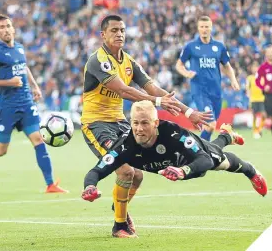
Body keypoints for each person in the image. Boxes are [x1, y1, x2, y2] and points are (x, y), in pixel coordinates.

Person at [81, 15, 212, 238]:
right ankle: (119, 225)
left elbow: (153, 88)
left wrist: (188, 112)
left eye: (122, 30)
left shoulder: (129, 62)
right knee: (125, 169)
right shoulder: (98, 60)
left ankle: (118, 206)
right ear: (103, 35)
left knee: (138, 176)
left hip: (121, 122)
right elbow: (124, 91)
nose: (120, 34)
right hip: (97, 123)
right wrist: (158, 103)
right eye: (114, 30)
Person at [81, 100, 267, 238]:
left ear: (155, 123)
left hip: (190, 161)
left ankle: (250, 170)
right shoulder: (124, 146)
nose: (138, 129)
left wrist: (183, 170)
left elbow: (204, 160)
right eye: (135, 123)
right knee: (215, 151)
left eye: (144, 123)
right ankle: (226, 135)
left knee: (220, 160)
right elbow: (97, 170)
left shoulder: (173, 133)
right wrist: (89, 187)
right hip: (175, 169)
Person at [0, 14, 67, 193]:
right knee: (0, 150)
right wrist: (9, 83)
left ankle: (50, 184)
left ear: (13, 28)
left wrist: (35, 86)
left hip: (26, 104)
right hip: (7, 108)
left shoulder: (20, 48)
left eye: (8, 26)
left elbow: (24, 67)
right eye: (2, 27)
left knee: (38, 139)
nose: (6, 29)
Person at [176, 16, 240, 141]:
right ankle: (202, 152)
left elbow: (227, 66)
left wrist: (233, 79)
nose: (204, 29)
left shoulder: (219, 46)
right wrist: (186, 73)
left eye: (207, 27)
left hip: (216, 91)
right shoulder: (191, 46)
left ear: (211, 28)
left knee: (210, 126)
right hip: (200, 91)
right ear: (198, 28)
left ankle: (200, 150)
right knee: (210, 125)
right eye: (202, 27)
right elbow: (179, 65)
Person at [246, 61, 266, 139]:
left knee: (264, 115)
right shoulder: (249, 78)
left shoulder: (262, 77)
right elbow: (248, 89)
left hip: (262, 99)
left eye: (256, 68)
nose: (255, 69)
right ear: (251, 69)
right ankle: (255, 131)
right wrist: (249, 97)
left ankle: (259, 129)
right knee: (254, 116)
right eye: (253, 68)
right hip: (253, 100)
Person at [256, 45, 272, 133]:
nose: (270, 54)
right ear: (266, 54)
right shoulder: (263, 67)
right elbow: (257, 80)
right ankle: (259, 128)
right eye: (268, 53)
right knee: (268, 114)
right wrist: (263, 87)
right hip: (268, 95)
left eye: (271, 53)